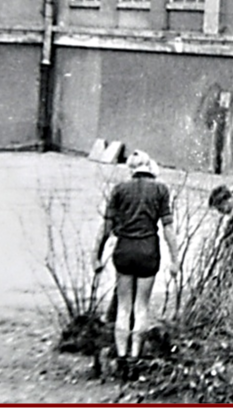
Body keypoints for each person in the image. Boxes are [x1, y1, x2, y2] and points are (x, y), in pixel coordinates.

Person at [93, 150, 180, 378]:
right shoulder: (161, 190)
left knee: (124, 307)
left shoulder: (120, 190)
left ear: (131, 168)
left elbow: (106, 227)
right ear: (149, 166)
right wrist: (175, 259)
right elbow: (168, 229)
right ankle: (134, 358)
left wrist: (97, 255)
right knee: (141, 307)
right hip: (148, 249)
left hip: (124, 249)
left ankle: (121, 359)